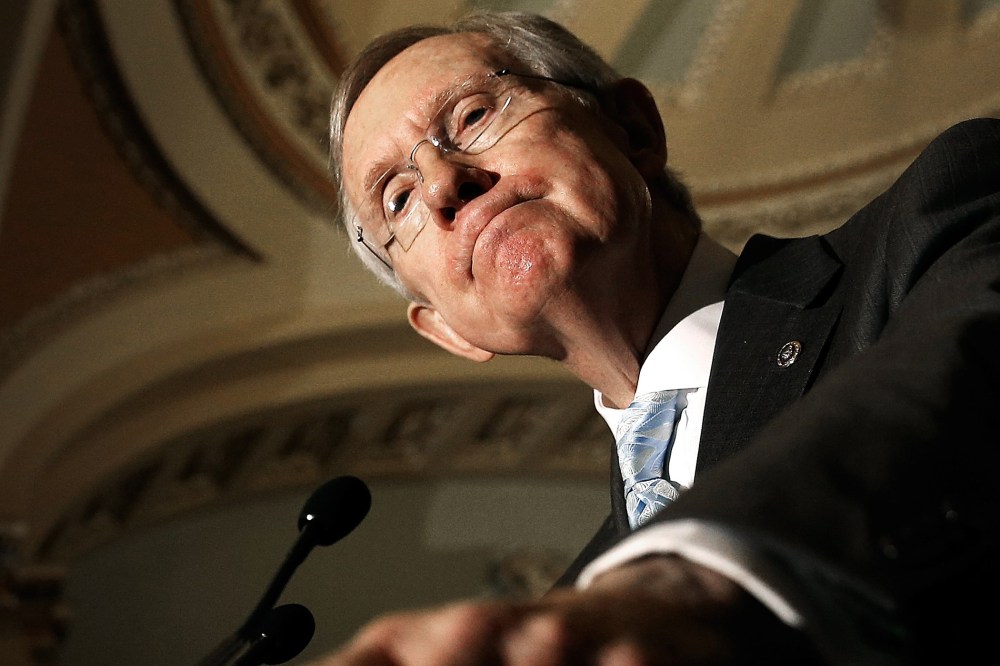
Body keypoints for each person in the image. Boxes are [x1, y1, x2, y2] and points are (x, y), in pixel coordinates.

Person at [320, 11, 1000, 665]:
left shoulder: (933, 220)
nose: (443, 183)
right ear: (445, 330)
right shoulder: (572, 610)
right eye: (397, 199)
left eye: (471, 115)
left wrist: (682, 583)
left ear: (635, 129)